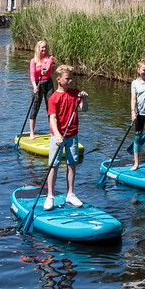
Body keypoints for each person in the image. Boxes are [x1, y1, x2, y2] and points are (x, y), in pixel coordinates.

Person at [43, 64, 87, 210]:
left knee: (71, 164)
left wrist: (84, 99)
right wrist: (57, 134)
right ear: (59, 79)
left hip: (72, 135)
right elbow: (53, 119)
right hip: (58, 136)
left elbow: (84, 109)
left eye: (71, 79)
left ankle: (70, 194)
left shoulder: (76, 93)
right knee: (53, 165)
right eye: (67, 79)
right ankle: (50, 196)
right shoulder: (53, 98)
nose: (70, 81)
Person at [20, 40, 57, 140]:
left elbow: (48, 66)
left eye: (45, 47)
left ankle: (53, 132)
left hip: (48, 83)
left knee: (51, 109)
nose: (44, 49)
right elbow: (32, 75)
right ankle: (32, 133)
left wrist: (45, 71)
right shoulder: (33, 61)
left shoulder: (50, 57)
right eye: (42, 47)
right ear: (38, 49)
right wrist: (34, 86)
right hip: (38, 84)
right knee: (35, 108)